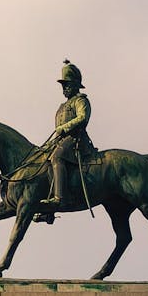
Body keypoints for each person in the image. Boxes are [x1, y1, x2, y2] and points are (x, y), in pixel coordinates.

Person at [42, 60, 93, 208]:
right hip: (61, 141)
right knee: (43, 159)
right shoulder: (62, 107)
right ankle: (47, 207)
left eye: (67, 85)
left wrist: (65, 127)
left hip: (76, 140)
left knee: (57, 156)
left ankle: (60, 198)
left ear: (76, 85)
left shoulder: (81, 101)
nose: (64, 88)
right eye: (63, 85)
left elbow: (83, 118)